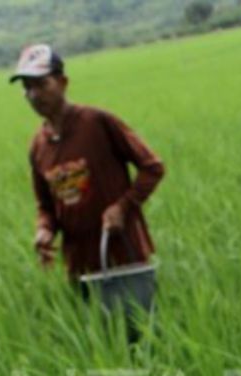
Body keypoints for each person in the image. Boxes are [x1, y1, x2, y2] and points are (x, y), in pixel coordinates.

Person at [11, 44, 165, 298]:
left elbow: (152, 167)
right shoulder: (38, 147)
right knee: (97, 334)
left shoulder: (97, 123)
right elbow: (45, 206)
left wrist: (123, 207)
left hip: (124, 254)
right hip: (79, 266)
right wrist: (44, 230)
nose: (34, 94)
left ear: (63, 82)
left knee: (141, 328)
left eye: (41, 84)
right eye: (27, 87)